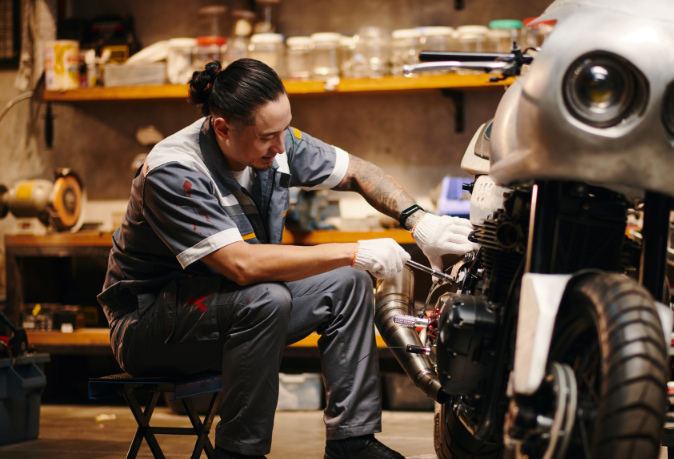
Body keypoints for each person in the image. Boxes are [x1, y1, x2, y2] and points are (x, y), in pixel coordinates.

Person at [97, 58, 477, 459]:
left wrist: (416, 221)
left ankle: (351, 442)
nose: (281, 147)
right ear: (223, 128)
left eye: (284, 130)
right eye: (267, 137)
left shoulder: (274, 143)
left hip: (230, 305)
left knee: (348, 284)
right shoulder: (175, 169)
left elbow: (356, 171)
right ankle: (239, 453)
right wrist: (356, 251)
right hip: (152, 328)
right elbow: (242, 265)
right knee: (268, 298)